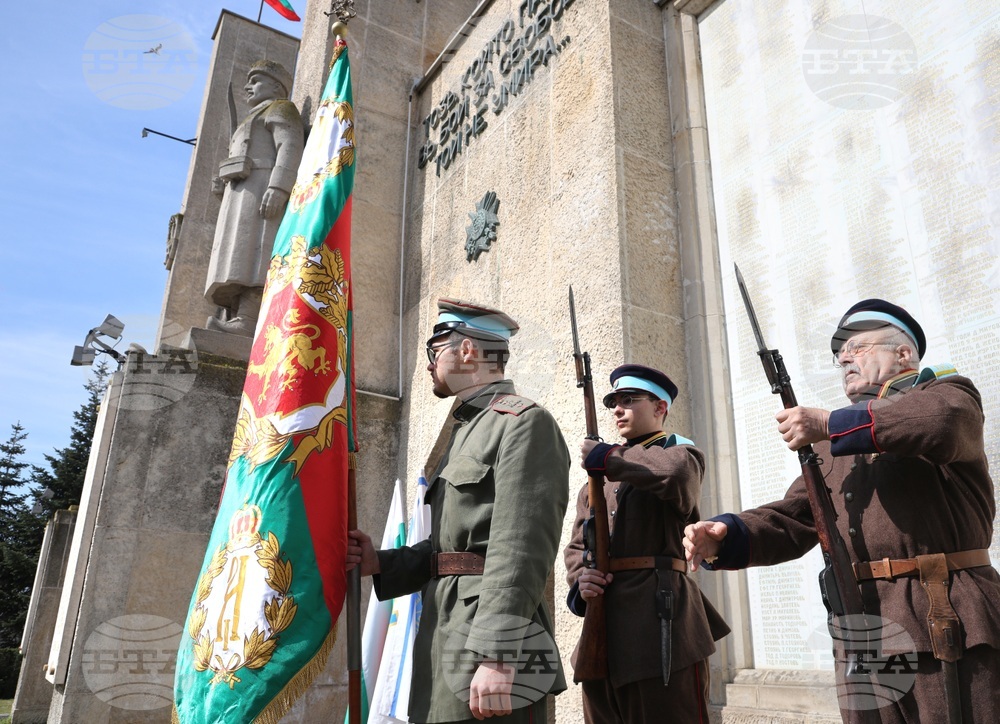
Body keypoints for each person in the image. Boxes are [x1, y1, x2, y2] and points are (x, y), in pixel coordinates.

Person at [683, 299, 1000, 722]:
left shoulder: (947, 393)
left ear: (903, 354)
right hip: (863, 623)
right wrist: (725, 532)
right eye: (839, 355)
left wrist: (831, 424)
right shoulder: (835, 440)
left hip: (943, 613)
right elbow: (795, 518)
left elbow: (938, 422)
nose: (843, 358)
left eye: (858, 347)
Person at [347, 298, 570, 723]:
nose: (430, 365)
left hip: (486, 642)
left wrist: (498, 654)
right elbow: (452, 547)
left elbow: (520, 547)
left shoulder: (522, 423)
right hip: (444, 630)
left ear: (466, 350)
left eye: (435, 350)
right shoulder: (467, 429)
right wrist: (382, 563)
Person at [564, 364, 730, 723]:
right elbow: (578, 546)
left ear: (660, 408)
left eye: (629, 400)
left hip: (659, 623)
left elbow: (674, 474)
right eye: (613, 402)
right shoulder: (598, 480)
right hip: (604, 631)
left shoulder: (680, 455)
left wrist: (608, 458)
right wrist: (582, 580)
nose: (618, 409)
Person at [205, 59, 304, 335]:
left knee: (256, 254)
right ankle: (235, 316)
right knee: (237, 256)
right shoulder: (251, 118)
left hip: (262, 187)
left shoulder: (280, 109)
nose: (248, 87)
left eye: (255, 80)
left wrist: (279, 187)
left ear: (276, 85)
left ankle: (248, 319)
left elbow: (290, 144)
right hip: (240, 192)